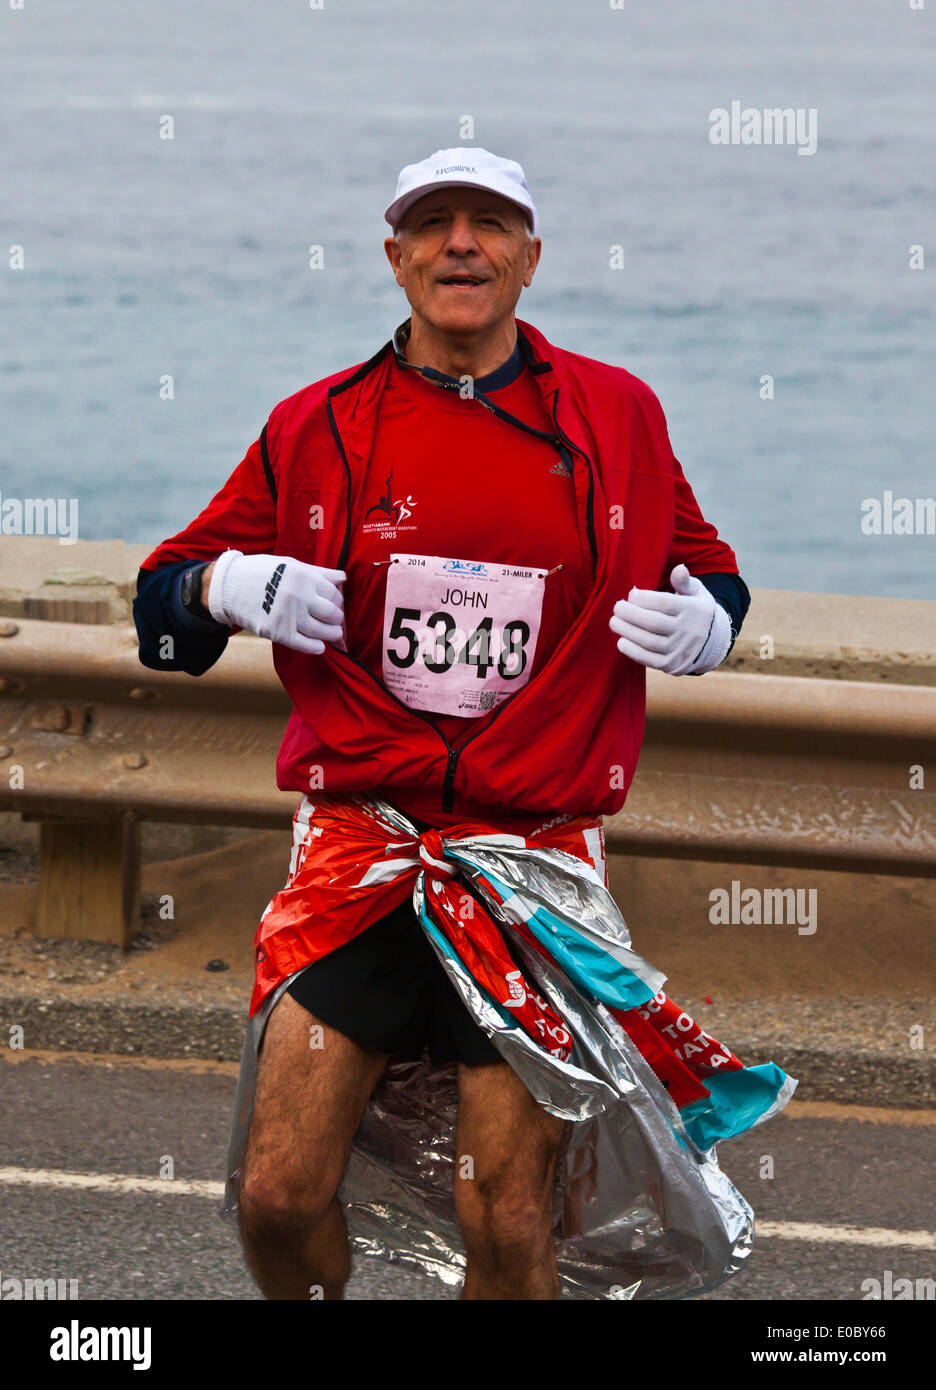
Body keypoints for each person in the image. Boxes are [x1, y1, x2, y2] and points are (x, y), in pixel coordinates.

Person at [133, 147, 751, 1301]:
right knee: (275, 1192)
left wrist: (709, 623)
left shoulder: (618, 415)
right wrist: (227, 589)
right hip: (363, 849)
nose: (460, 243)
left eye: (488, 225)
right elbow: (160, 609)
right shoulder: (314, 424)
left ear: (528, 259)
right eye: (433, 225)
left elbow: (710, 571)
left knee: (509, 1218)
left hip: (528, 861)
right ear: (397, 258)